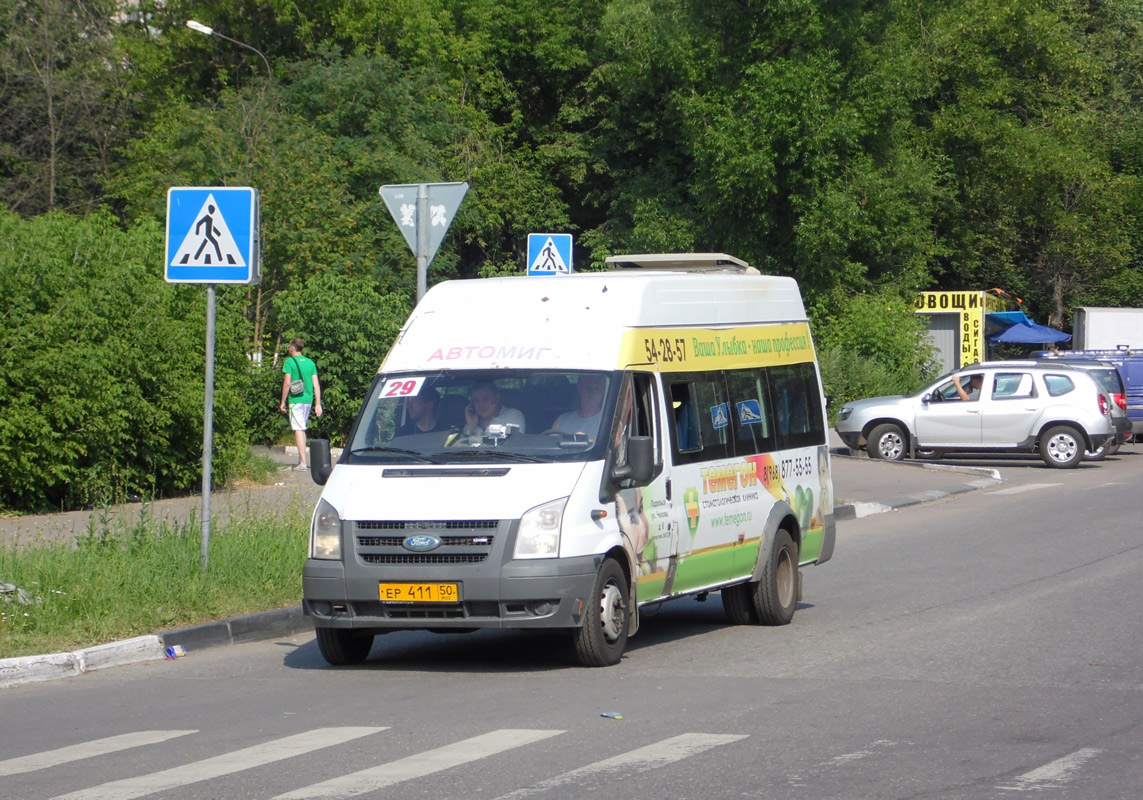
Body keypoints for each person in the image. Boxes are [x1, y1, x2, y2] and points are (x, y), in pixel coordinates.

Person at [280, 338, 322, 470]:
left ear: (293, 348)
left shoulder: (289, 362)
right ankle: (302, 459)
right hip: (308, 399)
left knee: (298, 429)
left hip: (296, 399)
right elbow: (316, 384)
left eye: (289, 348)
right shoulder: (310, 363)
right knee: (302, 428)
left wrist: (282, 402)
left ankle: (303, 463)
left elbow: (287, 383)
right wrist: (318, 403)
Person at [551, 374, 607, 441]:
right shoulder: (561, 421)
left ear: (603, 391)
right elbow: (550, 446)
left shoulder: (610, 423)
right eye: (587, 388)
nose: (592, 393)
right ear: (580, 389)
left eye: (596, 389)